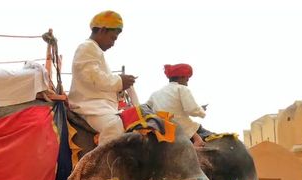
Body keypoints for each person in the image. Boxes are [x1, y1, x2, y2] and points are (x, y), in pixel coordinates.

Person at [68, 10, 137, 145]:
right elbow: (91, 77)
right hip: (89, 105)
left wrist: (120, 86)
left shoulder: (95, 50)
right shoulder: (87, 47)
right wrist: (119, 81)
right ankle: (103, 165)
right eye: (113, 38)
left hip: (100, 105)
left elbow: (99, 80)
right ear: (103, 30)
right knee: (114, 126)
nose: (113, 43)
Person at [146, 63, 208, 147]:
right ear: (181, 77)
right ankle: (197, 145)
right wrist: (202, 111)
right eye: (187, 79)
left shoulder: (154, 94)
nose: (187, 82)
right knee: (215, 139)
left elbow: (146, 109)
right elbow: (192, 110)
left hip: (162, 130)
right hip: (184, 130)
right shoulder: (182, 89)